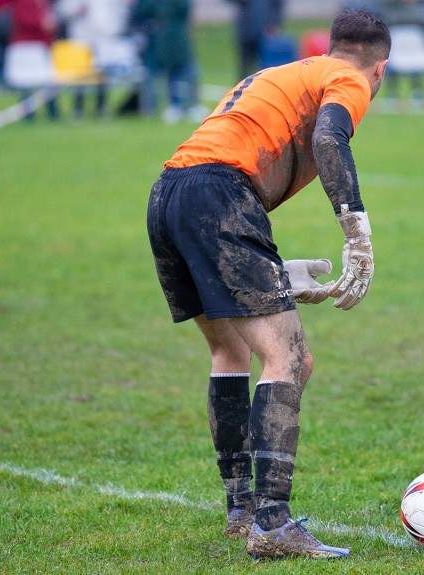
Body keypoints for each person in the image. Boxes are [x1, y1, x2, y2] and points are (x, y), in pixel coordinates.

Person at [146, 8, 390, 560]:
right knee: (291, 356)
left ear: (329, 44)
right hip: (220, 195)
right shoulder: (349, 78)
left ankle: (241, 511)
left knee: (229, 348)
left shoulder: (286, 73)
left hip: (169, 194)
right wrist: (357, 234)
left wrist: (273, 275)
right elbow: (330, 139)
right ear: (381, 70)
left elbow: (218, 162)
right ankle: (274, 524)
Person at [131, 0, 206, 124]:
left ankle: (192, 105)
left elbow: (184, 10)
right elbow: (143, 11)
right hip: (164, 37)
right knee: (170, 72)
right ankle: (174, 105)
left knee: (188, 71)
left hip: (179, 35)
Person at [56, 0, 130, 119]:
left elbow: (117, 12)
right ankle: (78, 109)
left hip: (103, 39)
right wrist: (76, 10)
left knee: (102, 74)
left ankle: (100, 107)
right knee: (80, 75)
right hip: (80, 38)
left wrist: (112, 30)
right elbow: (61, 11)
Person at [0, 0, 60, 120]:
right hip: (25, 47)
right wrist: (41, 23)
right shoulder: (22, 2)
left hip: (40, 46)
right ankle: (28, 115)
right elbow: (23, 19)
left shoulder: (44, 3)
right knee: (25, 82)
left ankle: (52, 112)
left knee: (48, 81)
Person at [227, 0, 284, 80]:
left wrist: (274, 23)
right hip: (246, 30)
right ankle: (241, 89)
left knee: (265, 65)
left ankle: (264, 87)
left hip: (265, 31)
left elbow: (277, 5)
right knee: (244, 65)